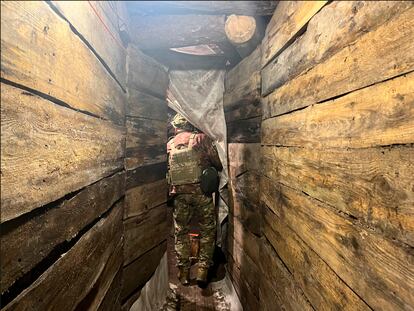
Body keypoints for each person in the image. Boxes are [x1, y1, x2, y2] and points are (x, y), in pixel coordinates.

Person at [167, 113, 222, 287]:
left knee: (181, 232)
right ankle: (202, 271)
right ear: (190, 124)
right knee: (207, 230)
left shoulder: (170, 144)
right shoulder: (201, 139)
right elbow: (218, 163)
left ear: (176, 126)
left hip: (180, 195)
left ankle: (183, 273)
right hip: (201, 193)